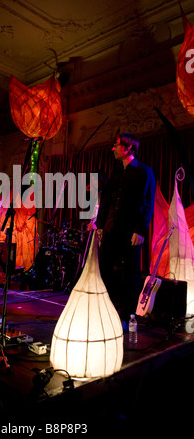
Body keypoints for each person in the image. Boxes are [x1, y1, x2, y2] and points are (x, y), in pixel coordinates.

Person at [95, 133, 155, 325]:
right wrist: (101, 225)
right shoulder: (116, 173)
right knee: (105, 269)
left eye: (117, 145)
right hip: (112, 229)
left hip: (131, 232)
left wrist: (140, 230)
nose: (113, 149)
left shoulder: (144, 172)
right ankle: (108, 307)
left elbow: (147, 204)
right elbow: (106, 202)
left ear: (128, 148)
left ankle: (130, 313)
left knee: (131, 272)